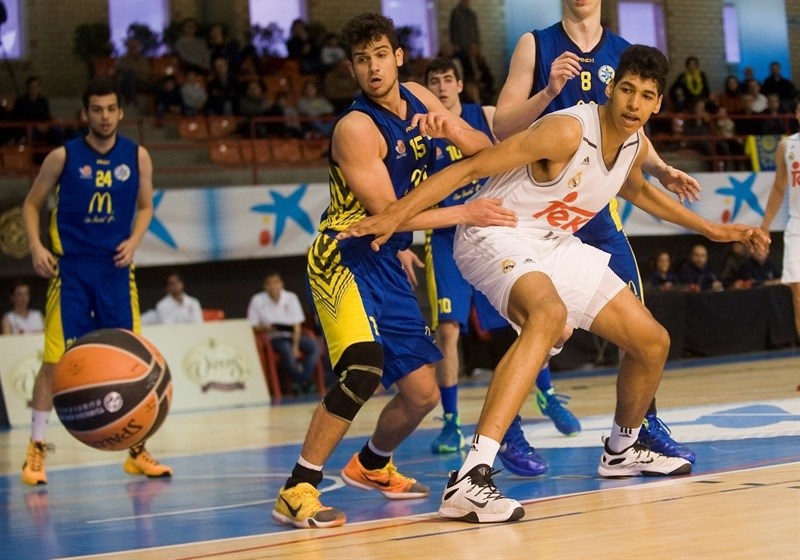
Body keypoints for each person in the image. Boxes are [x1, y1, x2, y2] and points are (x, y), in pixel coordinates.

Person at [342, 44, 770, 523]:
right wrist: (394, 217)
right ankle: (470, 477)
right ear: (610, 88)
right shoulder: (567, 129)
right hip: (495, 232)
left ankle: (622, 448)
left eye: (645, 96)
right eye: (626, 90)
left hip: (551, 242)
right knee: (548, 316)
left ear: (658, 104)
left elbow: (637, 189)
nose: (633, 103)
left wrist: (714, 229)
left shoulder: (630, 142)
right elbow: (471, 168)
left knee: (652, 342)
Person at [270, 12, 514, 529]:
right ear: (353, 69)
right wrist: (464, 212)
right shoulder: (355, 128)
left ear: (398, 57)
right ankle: (297, 488)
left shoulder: (422, 99)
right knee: (363, 368)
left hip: (385, 256)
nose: (373, 67)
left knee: (422, 393)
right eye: (362, 60)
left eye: (381, 55)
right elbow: (388, 214)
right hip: (344, 256)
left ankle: (372, 465)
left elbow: (485, 153)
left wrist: (451, 127)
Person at [490, 0, 701, 467]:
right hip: (543, 210)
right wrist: (548, 92)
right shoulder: (535, 44)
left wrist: (661, 168)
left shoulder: (625, 50)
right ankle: (506, 430)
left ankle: (637, 431)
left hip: (598, 207)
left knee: (640, 327)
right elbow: (502, 127)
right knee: (540, 325)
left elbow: (632, 129)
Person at [422, 57, 574, 474]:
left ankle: (546, 392)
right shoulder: (421, 128)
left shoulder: (484, 116)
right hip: (445, 235)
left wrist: (549, 92)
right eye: (433, 81)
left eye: (447, 79)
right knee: (448, 331)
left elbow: (524, 138)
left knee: (527, 317)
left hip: (492, 225)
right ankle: (451, 423)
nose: (441, 87)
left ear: (459, 83)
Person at [19, 78, 171, 485]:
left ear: (121, 112)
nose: (104, 116)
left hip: (116, 270)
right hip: (70, 270)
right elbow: (31, 204)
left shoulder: (137, 156)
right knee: (54, 362)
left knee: (133, 362)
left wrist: (136, 240)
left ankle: (137, 449)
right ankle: (35, 451)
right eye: (96, 109)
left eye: (111, 109)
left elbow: (144, 206)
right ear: (85, 113)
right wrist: (36, 246)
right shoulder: (62, 157)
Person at [760, 98, 800, 339]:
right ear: (796, 113)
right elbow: (778, 188)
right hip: (796, 225)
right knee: (797, 299)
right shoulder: (787, 146)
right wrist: (764, 226)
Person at [247, 271, 322, 394]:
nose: (273, 286)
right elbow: (252, 326)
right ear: (265, 286)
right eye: (270, 283)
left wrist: (296, 346)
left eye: (276, 282)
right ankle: (304, 383)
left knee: (314, 346)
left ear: (281, 284)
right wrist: (266, 328)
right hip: (273, 338)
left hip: (294, 336)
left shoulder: (291, 298)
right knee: (287, 351)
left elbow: (297, 325)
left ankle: (301, 381)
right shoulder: (257, 300)